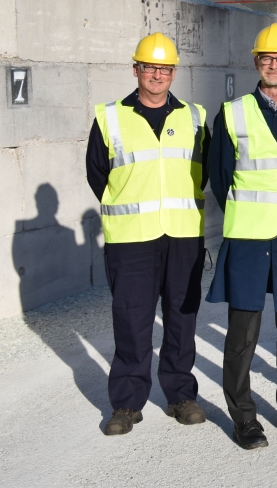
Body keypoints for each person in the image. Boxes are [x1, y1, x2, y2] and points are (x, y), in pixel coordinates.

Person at [86, 33, 209, 435]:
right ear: (135, 69)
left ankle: (180, 396)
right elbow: (97, 175)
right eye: (149, 67)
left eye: (165, 68)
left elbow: (203, 172)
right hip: (131, 238)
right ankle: (126, 403)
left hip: (182, 235)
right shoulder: (109, 117)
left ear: (174, 73)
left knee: (181, 318)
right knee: (132, 320)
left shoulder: (194, 117)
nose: (157, 75)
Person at [207, 22, 277, 450]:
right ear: (256, 62)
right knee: (243, 334)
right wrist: (251, 210)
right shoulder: (232, 111)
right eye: (266, 58)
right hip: (250, 235)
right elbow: (221, 177)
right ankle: (244, 418)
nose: (274, 65)